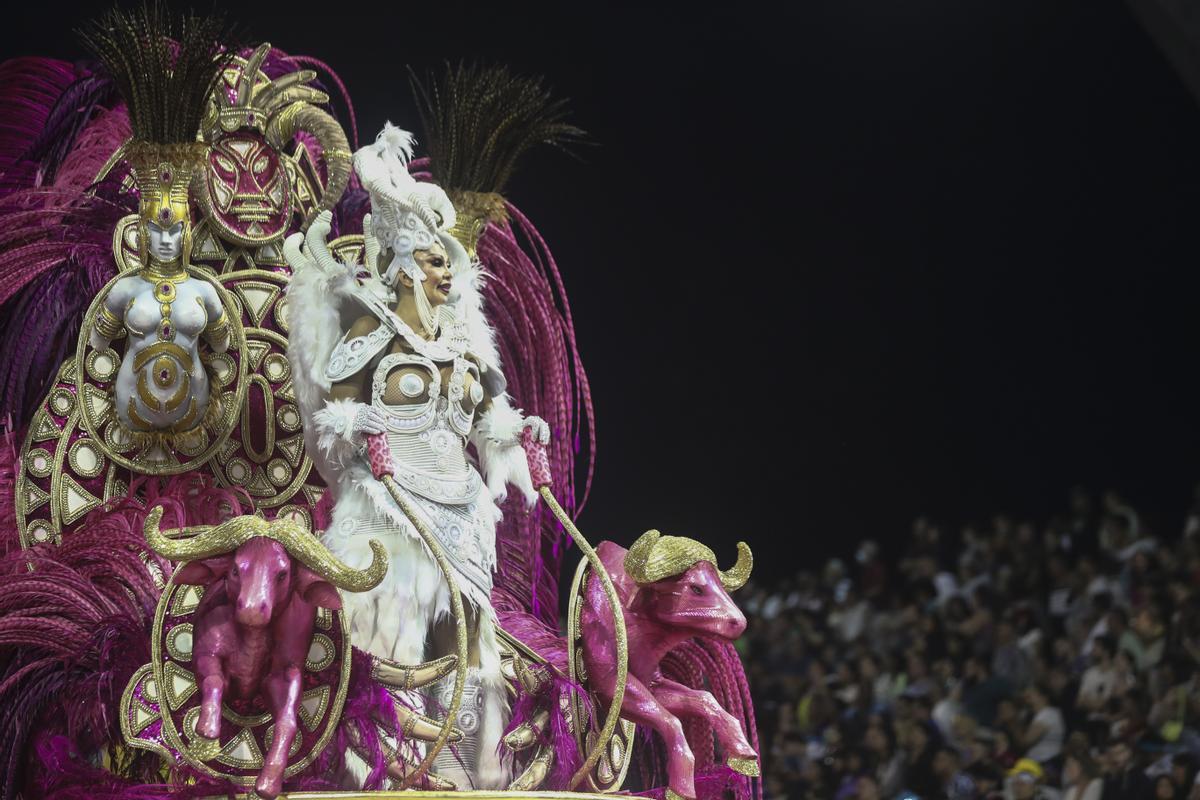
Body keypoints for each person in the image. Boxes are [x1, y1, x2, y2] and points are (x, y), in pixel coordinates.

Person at [286, 125, 549, 789]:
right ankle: (392, 773)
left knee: (470, 650)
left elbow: (494, 421)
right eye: (435, 260)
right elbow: (334, 418)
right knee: (394, 642)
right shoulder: (370, 331)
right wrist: (362, 423)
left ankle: (466, 775)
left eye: (447, 262)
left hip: (461, 511)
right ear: (403, 264)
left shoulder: (466, 344)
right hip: (387, 511)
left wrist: (522, 435)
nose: (446, 271)